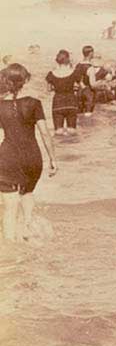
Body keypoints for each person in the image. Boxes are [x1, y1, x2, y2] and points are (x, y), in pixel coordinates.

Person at [0, 64, 57, 242]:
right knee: (27, 192)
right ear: (24, 81)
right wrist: (53, 159)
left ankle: (11, 247)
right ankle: (27, 228)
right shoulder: (34, 103)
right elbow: (45, 133)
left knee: (10, 206)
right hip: (33, 158)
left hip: (8, 157)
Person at [46, 50, 80, 135]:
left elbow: (49, 89)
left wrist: (58, 88)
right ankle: (73, 147)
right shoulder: (74, 72)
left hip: (58, 103)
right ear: (68, 59)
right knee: (72, 131)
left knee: (58, 132)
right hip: (71, 102)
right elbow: (79, 86)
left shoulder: (51, 74)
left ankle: (60, 147)